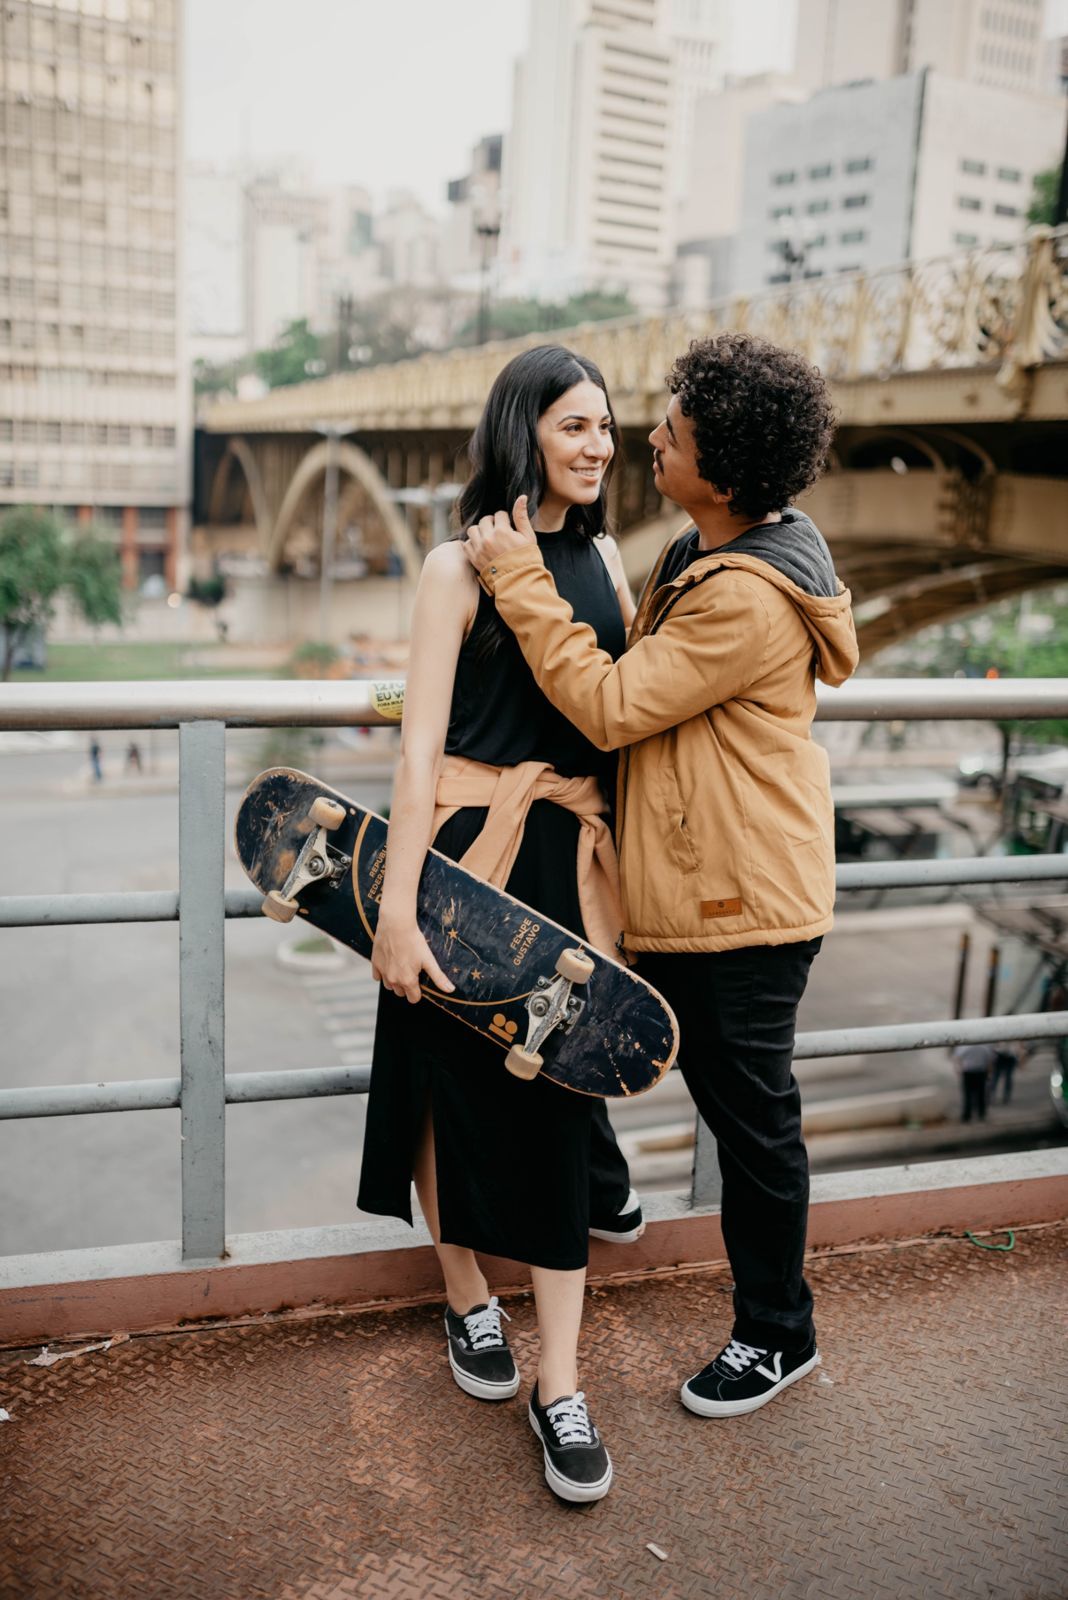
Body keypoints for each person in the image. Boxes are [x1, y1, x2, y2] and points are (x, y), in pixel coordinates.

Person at [465, 332, 859, 1422]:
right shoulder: (710, 543)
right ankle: (609, 1194)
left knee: (752, 1125)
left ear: (721, 471)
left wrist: (518, 579)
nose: (647, 437)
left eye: (671, 433)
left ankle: (779, 1333)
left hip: (743, 904)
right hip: (693, 885)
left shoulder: (746, 595)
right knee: (602, 1030)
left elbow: (613, 703)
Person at [357, 345, 642, 1504]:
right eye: (575, 426)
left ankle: (559, 1384)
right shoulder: (452, 568)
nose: (597, 447)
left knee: (559, 1116)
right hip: (462, 866)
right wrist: (391, 902)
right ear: (524, 429)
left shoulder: (612, 559)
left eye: (609, 429)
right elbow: (418, 746)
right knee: (437, 1086)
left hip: (565, 864)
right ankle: (466, 1295)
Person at [952, 1042, 992, 1121]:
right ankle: (981, 1113)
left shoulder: (964, 1046)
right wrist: (989, 1071)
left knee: (968, 1094)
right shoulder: (984, 1045)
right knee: (981, 1094)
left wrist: (958, 1069)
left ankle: (967, 1115)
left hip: (969, 1071)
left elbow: (957, 1057)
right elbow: (989, 1058)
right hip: (980, 1071)